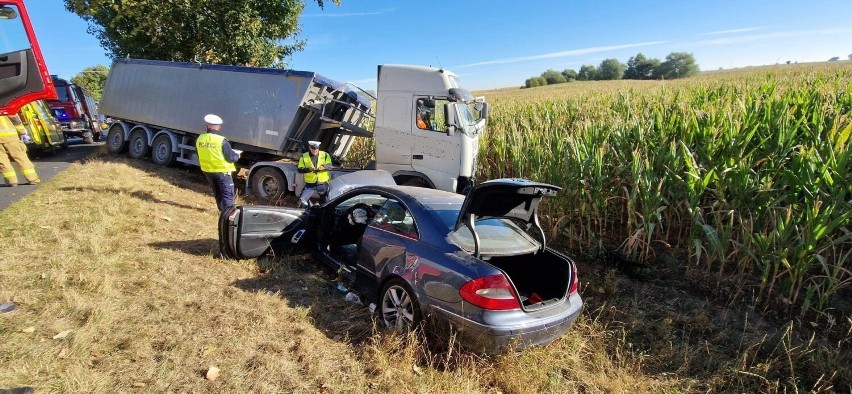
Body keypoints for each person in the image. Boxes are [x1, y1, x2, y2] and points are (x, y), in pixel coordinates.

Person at [195, 114, 241, 213]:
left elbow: (198, 153)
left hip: (208, 170)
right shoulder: (221, 141)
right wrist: (237, 155)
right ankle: (229, 215)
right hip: (222, 171)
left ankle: (222, 211)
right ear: (219, 127)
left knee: (218, 192)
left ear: (207, 126)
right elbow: (231, 157)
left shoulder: (200, 138)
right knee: (227, 193)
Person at [0, 115, 40, 187]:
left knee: (3, 161)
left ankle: (11, 181)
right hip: (12, 138)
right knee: (21, 158)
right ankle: (32, 179)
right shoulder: (7, 106)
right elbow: (16, 120)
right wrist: (22, 132)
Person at [297, 140, 332, 208]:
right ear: (310, 148)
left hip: (322, 183)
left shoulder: (325, 155)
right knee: (302, 201)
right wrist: (308, 169)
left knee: (327, 203)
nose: (315, 151)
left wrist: (324, 167)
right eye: (313, 149)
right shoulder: (304, 156)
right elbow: (300, 169)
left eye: (316, 149)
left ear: (318, 148)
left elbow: (330, 166)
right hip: (310, 184)